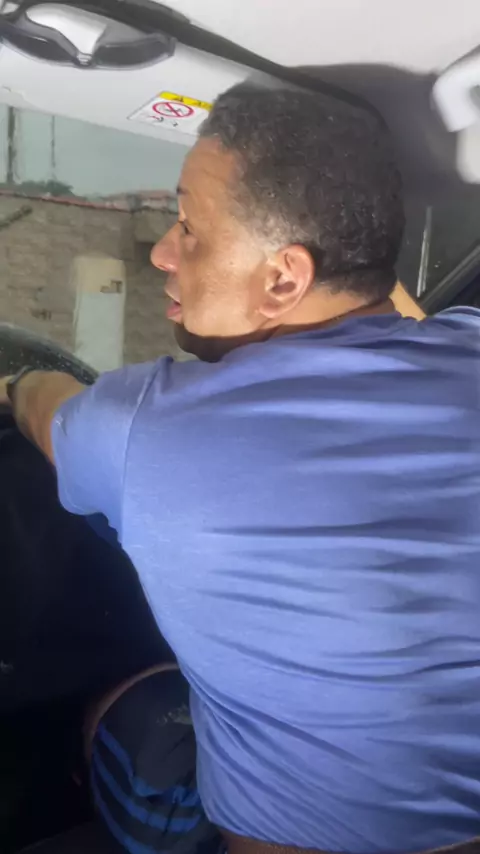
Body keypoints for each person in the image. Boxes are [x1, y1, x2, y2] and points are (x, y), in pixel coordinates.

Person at [2, 81, 480, 854]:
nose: (162, 251)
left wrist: (13, 380)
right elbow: (407, 324)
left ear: (285, 278)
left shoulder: (146, 427)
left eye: (189, 227)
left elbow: (42, 409)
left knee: (122, 700)